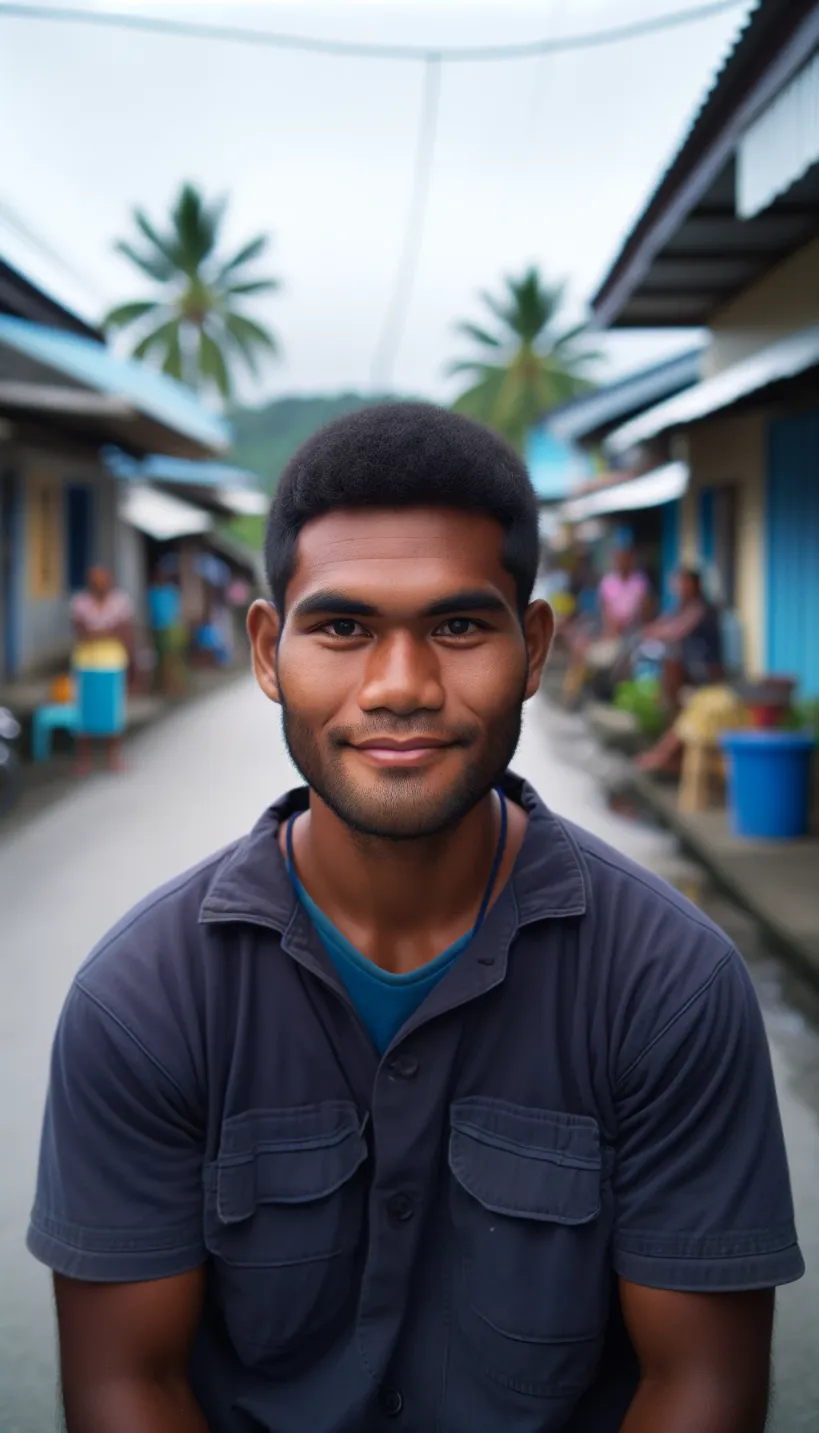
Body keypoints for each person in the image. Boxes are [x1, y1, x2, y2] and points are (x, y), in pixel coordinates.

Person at [30, 404, 802, 1433]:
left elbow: (701, 1386)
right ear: (269, 651)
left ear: (532, 647)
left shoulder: (667, 985)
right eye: (343, 626)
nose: (401, 687)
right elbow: (129, 1386)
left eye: (459, 625)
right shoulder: (143, 1001)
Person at [69, 565, 134, 775]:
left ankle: (114, 758)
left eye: (102, 580)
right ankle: (84, 761)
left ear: (110, 581)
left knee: (113, 714)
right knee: (83, 715)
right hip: (85, 664)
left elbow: (124, 632)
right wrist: (108, 631)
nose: (99, 584)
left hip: (113, 664)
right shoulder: (79, 602)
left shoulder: (121, 602)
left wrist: (96, 633)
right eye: (95, 581)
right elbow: (82, 632)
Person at [638, 566, 723, 716]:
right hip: (690, 662)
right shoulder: (681, 606)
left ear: (696, 585)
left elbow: (676, 632)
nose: (680, 587)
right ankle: (669, 715)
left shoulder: (701, 607)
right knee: (664, 660)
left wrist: (656, 632)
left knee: (671, 663)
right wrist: (652, 629)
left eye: (684, 583)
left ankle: (676, 718)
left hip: (706, 665)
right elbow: (663, 623)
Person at [146, 565, 186, 696]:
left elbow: (178, 611)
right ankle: (165, 686)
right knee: (162, 659)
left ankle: (174, 686)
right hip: (158, 628)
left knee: (173, 658)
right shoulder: (152, 593)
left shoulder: (171, 592)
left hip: (172, 628)